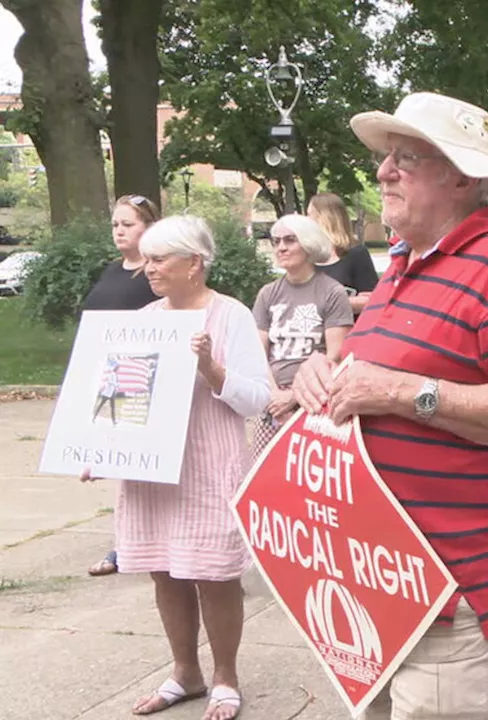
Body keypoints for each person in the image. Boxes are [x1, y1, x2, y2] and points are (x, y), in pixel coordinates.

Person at [292, 91, 488, 720]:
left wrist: (393, 392)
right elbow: (378, 361)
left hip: (455, 590)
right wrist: (323, 370)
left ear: (461, 177)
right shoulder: (403, 263)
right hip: (381, 581)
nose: (382, 172)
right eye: (387, 158)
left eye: (404, 159)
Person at [83, 215, 271, 720]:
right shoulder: (144, 318)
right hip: (150, 470)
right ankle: (185, 672)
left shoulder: (229, 316)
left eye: (160, 258)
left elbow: (258, 399)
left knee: (214, 574)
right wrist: (98, 448)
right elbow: (118, 397)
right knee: (164, 571)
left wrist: (212, 369)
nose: (148, 268)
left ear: (195, 263)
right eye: (146, 258)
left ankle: (225, 677)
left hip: (208, 464)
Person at [84, 194, 162, 577]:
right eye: (115, 224)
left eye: (128, 224)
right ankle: (128, 541)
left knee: (137, 466)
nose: (119, 230)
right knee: (117, 466)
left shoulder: (155, 276)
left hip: (141, 379)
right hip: (106, 377)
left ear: (147, 227)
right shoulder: (113, 271)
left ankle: (129, 546)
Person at [250, 214, 353, 447]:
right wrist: (274, 396)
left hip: (315, 400)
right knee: (266, 478)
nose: (281, 248)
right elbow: (258, 352)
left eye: (289, 240)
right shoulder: (268, 293)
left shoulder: (332, 292)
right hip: (272, 402)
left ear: (308, 244)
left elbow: (335, 356)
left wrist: (294, 396)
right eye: (276, 242)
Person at [309, 193, 381, 317]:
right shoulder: (306, 254)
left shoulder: (356, 253)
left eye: (310, 215)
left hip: (347, 331)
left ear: (325, 219)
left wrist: (332, 302)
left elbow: (372, 300)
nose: (306, 220)